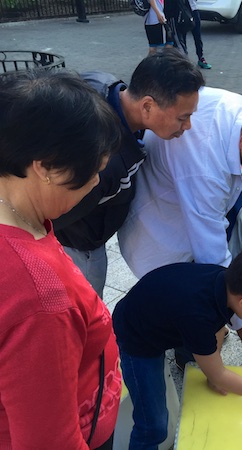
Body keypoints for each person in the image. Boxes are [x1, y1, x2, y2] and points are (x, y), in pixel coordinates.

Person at [118, 88, 242, 378]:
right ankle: (188, 356)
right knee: (193, 301)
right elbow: (212, 256)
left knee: (205, 300)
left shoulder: (238, 105)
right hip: (160, 228)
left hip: (182, 199)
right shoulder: (204, 171)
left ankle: (197, 344)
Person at [0, 70, 123, 449]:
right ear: (47, 166)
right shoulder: (41, 298)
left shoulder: (23, 219)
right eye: (94, 172)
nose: (97, 184)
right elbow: (49, 440)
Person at [52, 49, 204, 298]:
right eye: (183, 117)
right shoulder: (105, 163)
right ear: (147, 106)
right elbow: (56, 216)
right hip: (77, 247)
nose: (187, 126)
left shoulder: (103, 83)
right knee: (86, 315)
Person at [113, 248, 242, 449]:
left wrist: (213, 368)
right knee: (154, 425)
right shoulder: (197, 316)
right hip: (137, 338)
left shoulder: (223, 280)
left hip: (154, 312)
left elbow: (217, 326)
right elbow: (218, 374)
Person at [177, 0, 212, 69]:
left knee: (197, 35)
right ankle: (184, 59)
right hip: (182, 10)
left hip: (193, 10)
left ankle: (201, 57)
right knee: (183, 36)